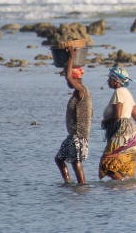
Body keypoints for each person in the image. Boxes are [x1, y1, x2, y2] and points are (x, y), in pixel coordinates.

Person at [99, 66, 136, 180]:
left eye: (110, 78)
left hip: (122, 133)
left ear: (116, 81)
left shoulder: (119, 92)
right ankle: (126, 191)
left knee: (107, 165)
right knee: (123, 169)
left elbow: (118, 115)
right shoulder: (127, 93)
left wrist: (105, 121)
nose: (108, 81)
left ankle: (121, 185)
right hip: (133, 135)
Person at [54, 45, 92, 184]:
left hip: (79, 136)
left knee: (76, 162)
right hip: (73, 135)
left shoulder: (82, 90)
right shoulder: (77, 94)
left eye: (69, 80)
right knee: (59, 159)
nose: (67, 82)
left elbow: (69, 77)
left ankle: (82, 186)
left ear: (76, 79)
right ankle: (68, 183)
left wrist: (71, 57)